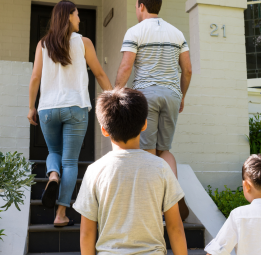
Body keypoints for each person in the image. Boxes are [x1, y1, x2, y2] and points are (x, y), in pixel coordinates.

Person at [27, 0, 112, 227]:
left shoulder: (42, 44)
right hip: (75, 107)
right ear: (68, 17)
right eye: (77, 15)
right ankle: (60, 214)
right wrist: (114, 97)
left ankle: (52, 175)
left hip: (47, 108)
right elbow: (99, 74)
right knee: (71, 161)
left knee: (53, 151)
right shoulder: (83, 42)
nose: (80, 19)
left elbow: (35, 77)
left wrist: (31, 107)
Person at [73, 88, 188, 255]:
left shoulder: (94, 171)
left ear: (104, 130)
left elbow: (87, 232)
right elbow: (175, 227)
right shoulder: (161, 168)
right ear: (144, 124)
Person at [115, 0, 192, 219]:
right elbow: (187, 69)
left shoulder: (135, 31)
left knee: (147, 151)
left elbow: (126, 67)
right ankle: (174, 198)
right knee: (164, 150)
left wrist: (116, 94)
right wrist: (182, 95)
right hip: (171, 95)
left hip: (145, 97)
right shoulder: (177, 33)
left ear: (141, 6)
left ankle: (152, 204)